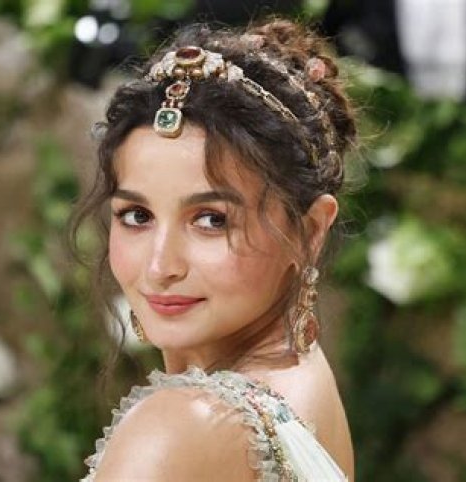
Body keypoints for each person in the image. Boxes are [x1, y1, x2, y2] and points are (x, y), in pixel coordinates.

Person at [71, 18, 359, 481]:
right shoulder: (303, 380)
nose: (160, 267)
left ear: (309, 231)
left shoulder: (185, 427)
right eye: (137, 216)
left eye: (211, 220)